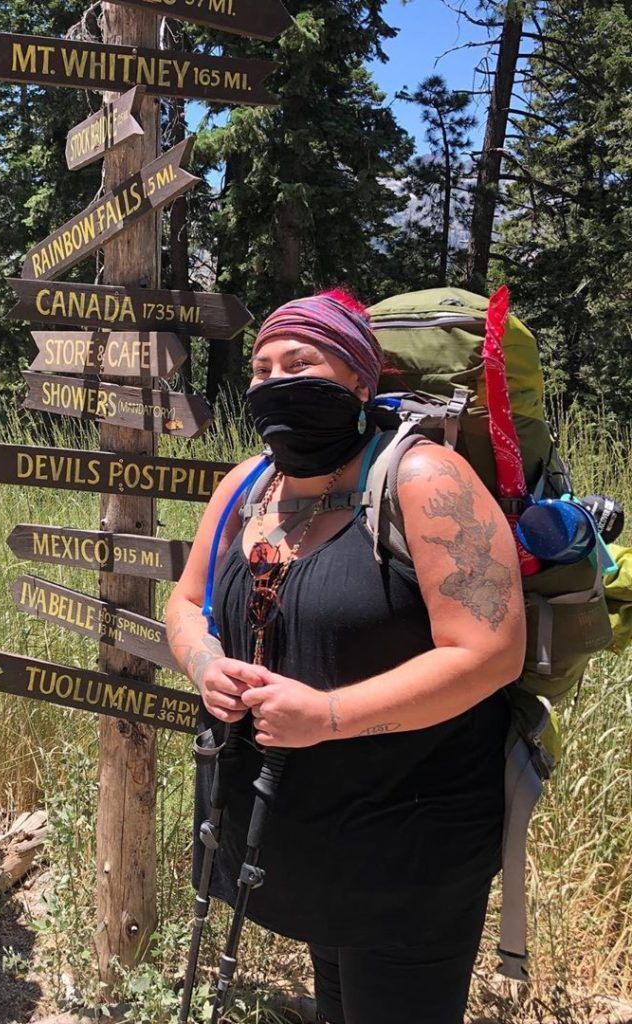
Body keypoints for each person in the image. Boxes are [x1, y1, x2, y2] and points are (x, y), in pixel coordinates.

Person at [166, 292, 526, 1024]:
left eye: (301, 363)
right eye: (262, 369)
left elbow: (490, 652)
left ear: (361, 379)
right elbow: (184, 602)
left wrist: (326, 715)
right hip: (300, 839)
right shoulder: (245, 484)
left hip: (408, 853)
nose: (274, 382)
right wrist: (205, 664)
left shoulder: (426, 481)